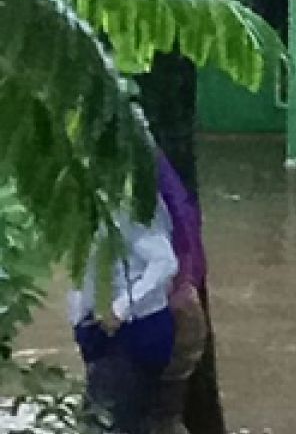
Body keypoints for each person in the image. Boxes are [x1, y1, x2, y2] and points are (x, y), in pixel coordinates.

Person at [69, 198, 178, 434]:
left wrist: (121, 308)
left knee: (106, 422)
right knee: (112, 420)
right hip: (101, 333)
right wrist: (79, 322)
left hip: (136, 332)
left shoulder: (125, 203)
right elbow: (85, 272)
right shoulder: (82, 207)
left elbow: (165, 261)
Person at [148, 153, 210, 434]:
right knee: (167, 413)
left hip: (169, 311)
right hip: (186, 305)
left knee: (158, 414)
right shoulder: (176, 196)